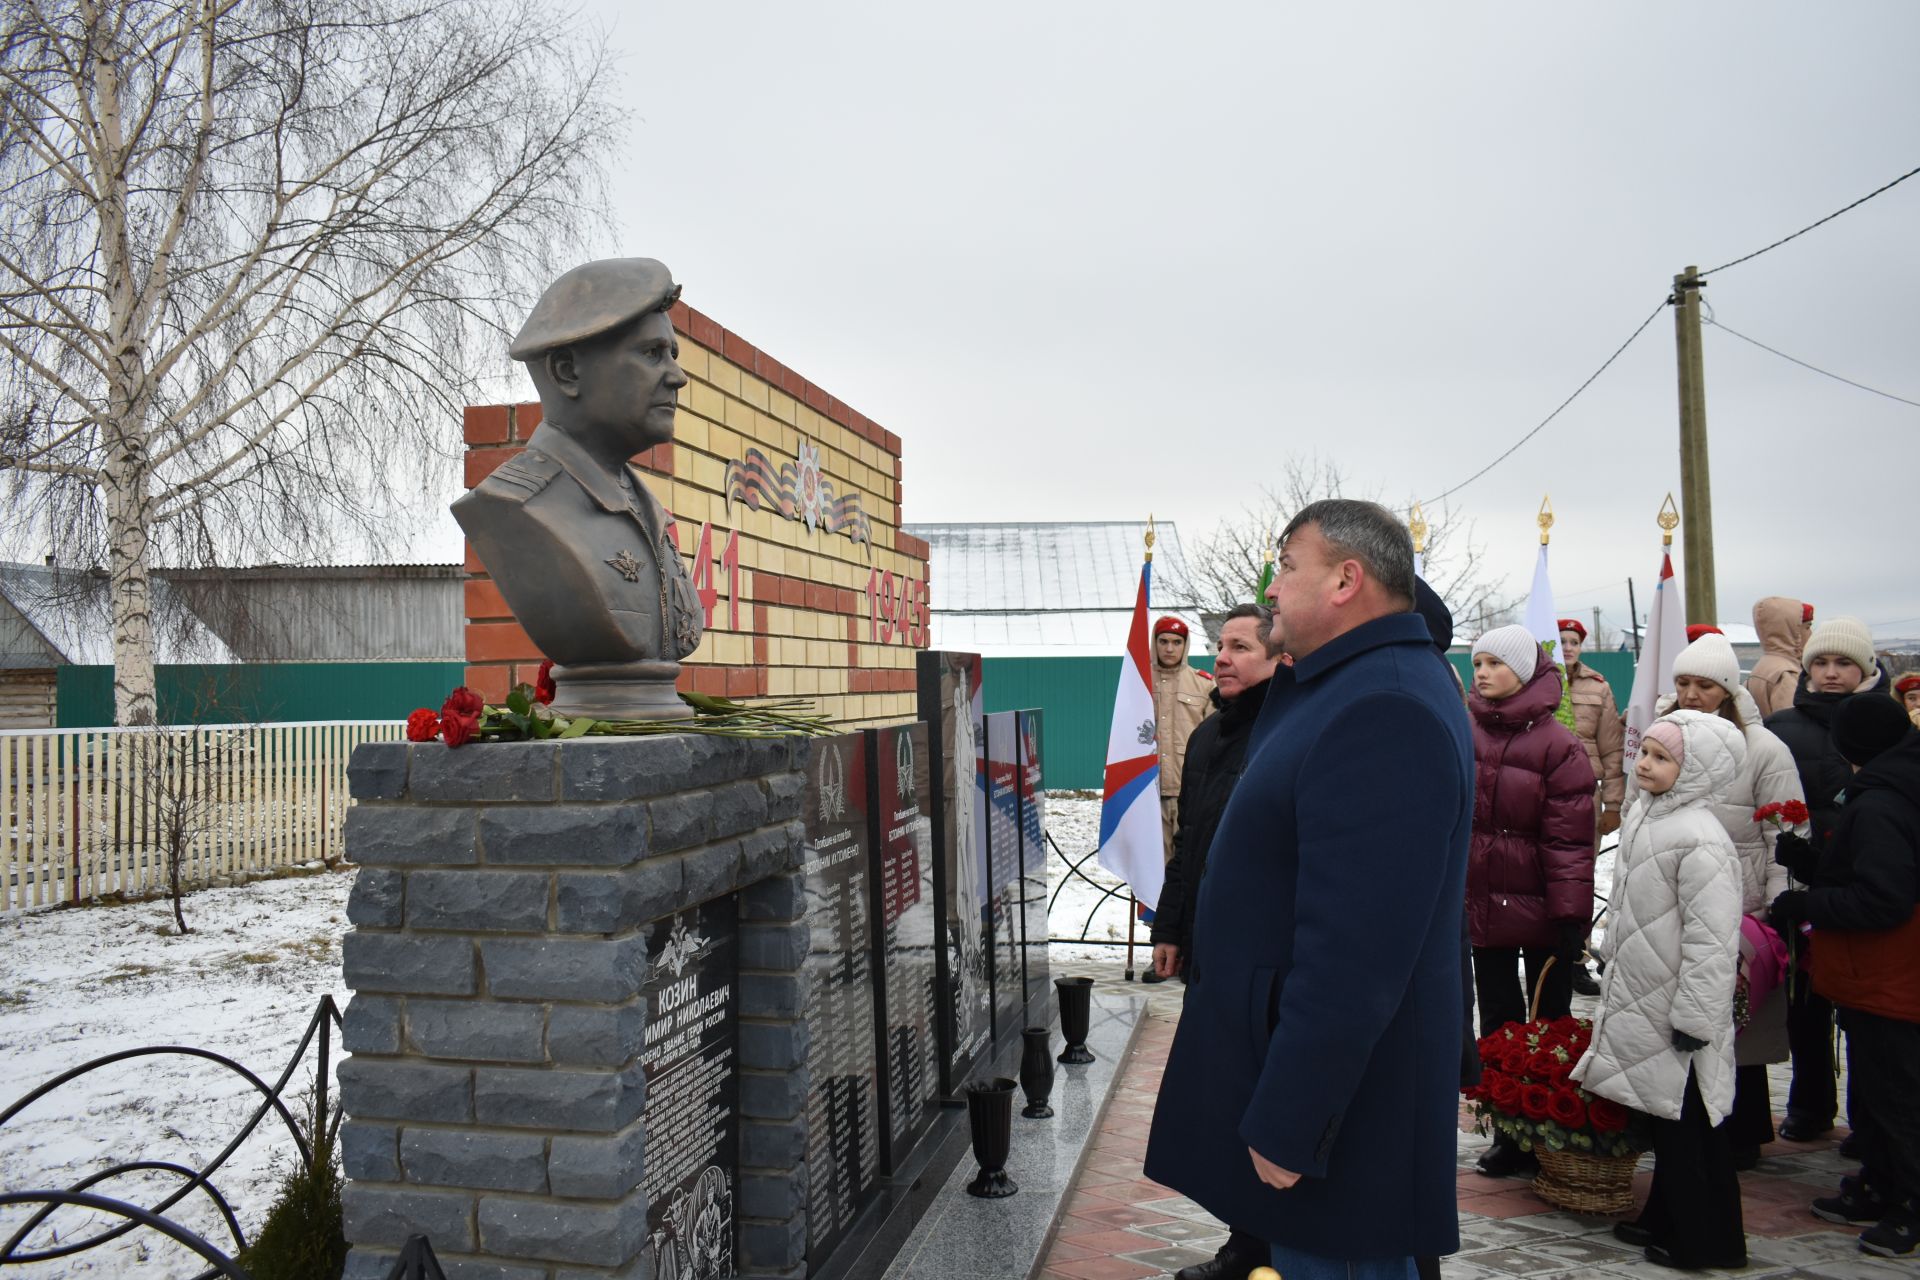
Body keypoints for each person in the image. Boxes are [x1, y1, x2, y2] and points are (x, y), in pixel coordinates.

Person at [1145, 499, 1472, 1278]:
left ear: (1345, 581)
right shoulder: (1346, 685)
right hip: (1318, 1096)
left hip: (1344, 1126)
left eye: (1288, 567)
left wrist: (1294, 1119)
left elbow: (1356, 951)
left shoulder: (1382, 703)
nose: (1272, 588)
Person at [451, 257, 705, 715]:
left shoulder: (646, 507)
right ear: (568, 371)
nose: (676, 376)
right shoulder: (517, 505)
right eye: (651, 354)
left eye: (673, 354)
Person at [1577, 712, 1749, 1272]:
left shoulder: (1700, 837)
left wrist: (1697, 1016)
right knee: (1665, 1120)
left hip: (1680, 1007)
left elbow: (1713, 938)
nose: (1644, 765)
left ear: (1695, 770)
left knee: (1692, 1128)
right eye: (1643, 752)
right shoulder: (1652, 817)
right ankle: (1666, 1216)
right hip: (1648, 995)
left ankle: (1708, 1240)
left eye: (1661, 757)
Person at [1149, 603, 1282, 1280]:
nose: (1221, 657)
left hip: (1262, 958)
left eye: (1239, 647)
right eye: (1219, 644)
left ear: (1278, 656)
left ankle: (1270, 1246)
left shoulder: (1286, 732)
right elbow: (1190, 846)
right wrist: (1169, 927)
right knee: (1225, 1102)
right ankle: (1244, 1242)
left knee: (1262, 1104)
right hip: (1209, 950)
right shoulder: (1209, 738)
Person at [1768, 694, 1920, 1257]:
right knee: (1879, 1089)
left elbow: (1884, 899)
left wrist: (1807, 906)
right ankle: (1879, 1184)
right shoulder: (1892, 786)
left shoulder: (1882, 801)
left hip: (1887, 971)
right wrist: (1812, 867)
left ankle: (1908, 1204)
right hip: (1878, 975)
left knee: (1895, 1093)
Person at [1661, 631, 1806, 1167]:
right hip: (1676, 901)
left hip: (1743, 907)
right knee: (1684, 1020)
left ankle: (1743, 1132)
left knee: (1741, 1023)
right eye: (1683, 682)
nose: (1693, 693)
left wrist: (1777, 899)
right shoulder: (1667, 736)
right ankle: (1688, 1129)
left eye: (1705, 684)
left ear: (1727, 689)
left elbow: (1786, 831)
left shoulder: (1764, 749)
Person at [1464, 624, 1597, 1176]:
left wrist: (1570, 917)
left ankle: (1550, 1130)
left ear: (1524, 671)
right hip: (1482, 908)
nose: (1483, 674)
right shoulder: (1465, 730)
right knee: (1497, 1022)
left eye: (1495, 663)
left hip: (1542, 914)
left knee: (1548, 1023)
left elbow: (1569, 840)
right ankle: (1509, 1134)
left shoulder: (1559, 745)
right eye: (1478, 665)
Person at [1765, 614, 1885, 1141]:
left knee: (1865, 1010)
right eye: (1822, 663)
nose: (1832, 673)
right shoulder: (1784, 727)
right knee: (1805, 1002)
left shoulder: (1885, 725)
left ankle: (1869, 1119)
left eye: (1844, 664)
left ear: (1865, 669)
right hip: (1802, 879)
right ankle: (1810, 1104)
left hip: (1866, 881)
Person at [1143, 615, 1213, 983]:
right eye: (1163, 641)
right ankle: (1156, 953)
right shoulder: (1141, 683)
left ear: (1186, 646)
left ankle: (1187, 950)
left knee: (1188, 872)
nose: (1169, 649)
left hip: (1190, 795)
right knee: (1154, 874)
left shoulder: (1202, 684)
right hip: (1149, 793)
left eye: (1176, 642)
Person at [1558, 619, 1626, 838]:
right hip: (1539, 791)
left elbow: (1611, 749)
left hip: (1585, 792)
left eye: (1574, 642)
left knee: (1583, 865)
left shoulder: (1598, 687)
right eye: (1561, 642)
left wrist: (1613, 805)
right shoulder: (1532, 684)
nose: (1568, 648)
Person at [1748, 597, 1814, 720]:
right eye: (1807, 627)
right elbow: (1792, 725)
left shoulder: (1762, 666)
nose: (1811, 634)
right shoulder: (1786, 674)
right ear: (1793, 631)